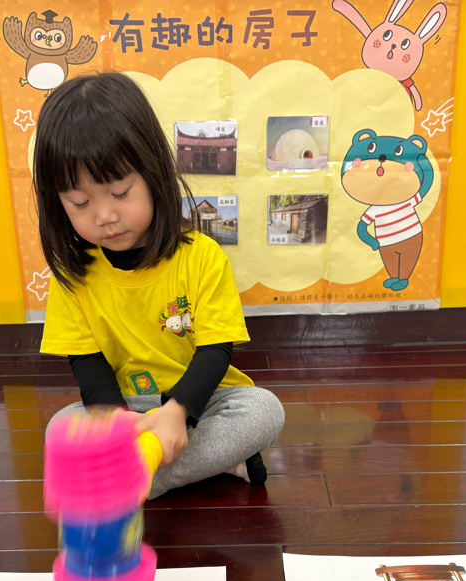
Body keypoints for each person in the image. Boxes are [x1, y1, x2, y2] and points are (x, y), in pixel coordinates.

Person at [33, 71, 285, 500]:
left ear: (153, 173)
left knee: (263, 410)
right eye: (80, 202)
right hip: (128, 408)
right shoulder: (74, 274)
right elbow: (88, 364)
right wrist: (115, 420)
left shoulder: (202, 255)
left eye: (120, 192)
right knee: (61, 427)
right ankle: (206, 462)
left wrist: (177, 412)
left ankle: (137, 478)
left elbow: (216, 351)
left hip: (201, 401)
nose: (104, 216)